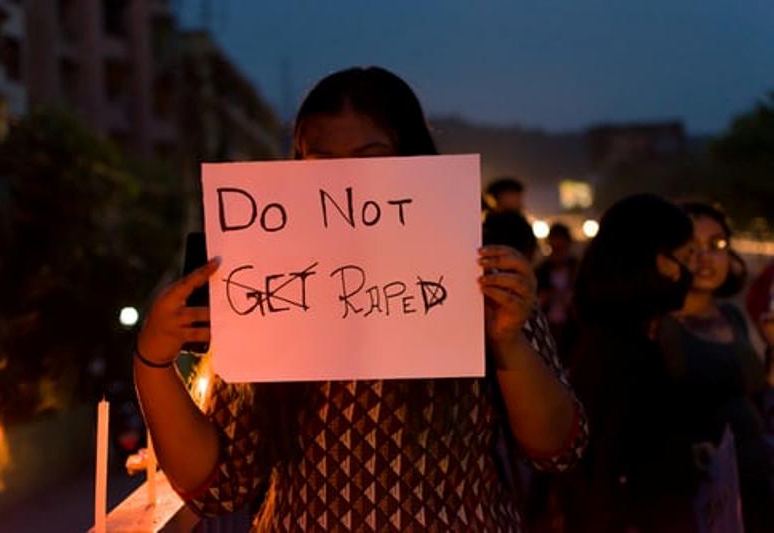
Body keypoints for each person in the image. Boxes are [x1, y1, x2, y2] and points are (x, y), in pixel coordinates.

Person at [134, 66, 587, 531]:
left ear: (414, 163)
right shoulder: (267, 292)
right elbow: (218, 487)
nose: (346, 186)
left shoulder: (476, 275)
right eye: (322, 164)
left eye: (372, 159)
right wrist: (153, 361)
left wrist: (509, 342)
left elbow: (557, 449)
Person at [558, 194, 699, 532]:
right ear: (645, 259)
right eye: (681, 258)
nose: (685, 271)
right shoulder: (616, 350)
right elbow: (607, 468)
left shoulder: (626, 334)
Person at [658, 202, 774, 532]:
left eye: (717, 244)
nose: (705, 258)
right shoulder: (658, 326)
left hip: (752, 479)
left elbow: (755, 392)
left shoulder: (731, 315)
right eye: (690, 247)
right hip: (700, 496)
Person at [535, 222, 579, 367]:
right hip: (548, 328)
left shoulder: (578, 270)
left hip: (571, 330)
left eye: (561, 248)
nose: (558, 253)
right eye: (555, 248)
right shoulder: (541, 271)